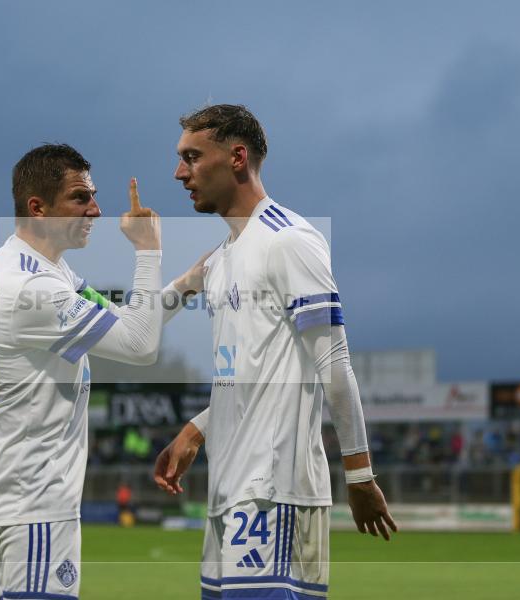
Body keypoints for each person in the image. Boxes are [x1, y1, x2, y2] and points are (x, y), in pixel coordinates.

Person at [153, 105, 397, 599]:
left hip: (271, 491)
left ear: (237, 157)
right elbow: (252, 370)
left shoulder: (288, 240)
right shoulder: (221, 259)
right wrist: (199, 428)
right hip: (229, 490)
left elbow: (333, 363)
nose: (180, 173)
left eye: (192, 157)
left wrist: (359, 473)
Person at [0, 143, 163, 600]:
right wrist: (148, 252)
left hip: (14, 482)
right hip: (33, 492)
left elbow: (125, 324)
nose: (96, 210)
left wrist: (190, 283)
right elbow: (140, 345)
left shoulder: (34, 265)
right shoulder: (35, 288)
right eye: (80, 198)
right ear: (38, 208)